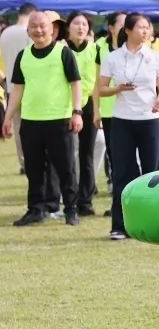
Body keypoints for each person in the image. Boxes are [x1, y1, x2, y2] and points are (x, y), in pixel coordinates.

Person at [2, 11, 83, 226]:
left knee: (66, 168)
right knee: (34, 169)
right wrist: (8, 117)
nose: (38, 30)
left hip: (59, 120)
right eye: (34, 27)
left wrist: (77, 112)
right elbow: (17, 89)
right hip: (30, 121)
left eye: (42, 26)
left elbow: (76, 84)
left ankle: (71, 209)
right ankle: (36, 209)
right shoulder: (23, 56)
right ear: (28, 30)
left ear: (51, 29)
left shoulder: (63, 52)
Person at [98, 13, 159, 240]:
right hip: (122, 121)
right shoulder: (113, 58)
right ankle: (120, 226)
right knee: (123, 174)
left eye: (147, 27)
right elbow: (101, 89)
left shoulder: (156, 57)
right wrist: (118, 89)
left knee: (153, 173)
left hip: (149, 121)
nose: (146, 31)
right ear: (127, 30)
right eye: (141, 27)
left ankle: (153, 224)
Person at [65, 12, 101, 215]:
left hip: (88, 105)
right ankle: (67, 198)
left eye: (84, 24)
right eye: (76, 24)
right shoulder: (61, 50)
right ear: (68, 27)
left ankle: (85, 201)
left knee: (86, 154)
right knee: (66, 154)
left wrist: (97, 109)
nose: (81, 28)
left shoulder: (95, 50)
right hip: (64, 106)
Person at [0, 2, 36, 173]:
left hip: (10, 87)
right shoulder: (29, 32)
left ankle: (24, 162)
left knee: (18, 127)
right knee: (33, 126)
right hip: (30, 87)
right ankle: (34, 159)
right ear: (32, 14)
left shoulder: (5, 33)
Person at [94, 12, 126, 199]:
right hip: (108, 110)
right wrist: (96, 110)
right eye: (121, 24)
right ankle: (114, 181)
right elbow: (96, 82)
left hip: (130, 110)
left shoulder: (133, 48)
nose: (126, 27)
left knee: (128, 151)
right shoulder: (99, 47)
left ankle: (125, 183)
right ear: (111, 28)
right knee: (112, 150)